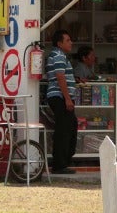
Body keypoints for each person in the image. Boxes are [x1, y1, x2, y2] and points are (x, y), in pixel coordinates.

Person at [45, 29, 78, 174]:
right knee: (64, 130)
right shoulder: (58, 56)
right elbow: (60, 77)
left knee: (69, 127)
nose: (71, 43)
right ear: (59, 43)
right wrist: (67, 99)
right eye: (68, 40)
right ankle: (60, 164)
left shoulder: (59, 56)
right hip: (59, 97)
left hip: (61, 96)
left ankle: (64, 160)